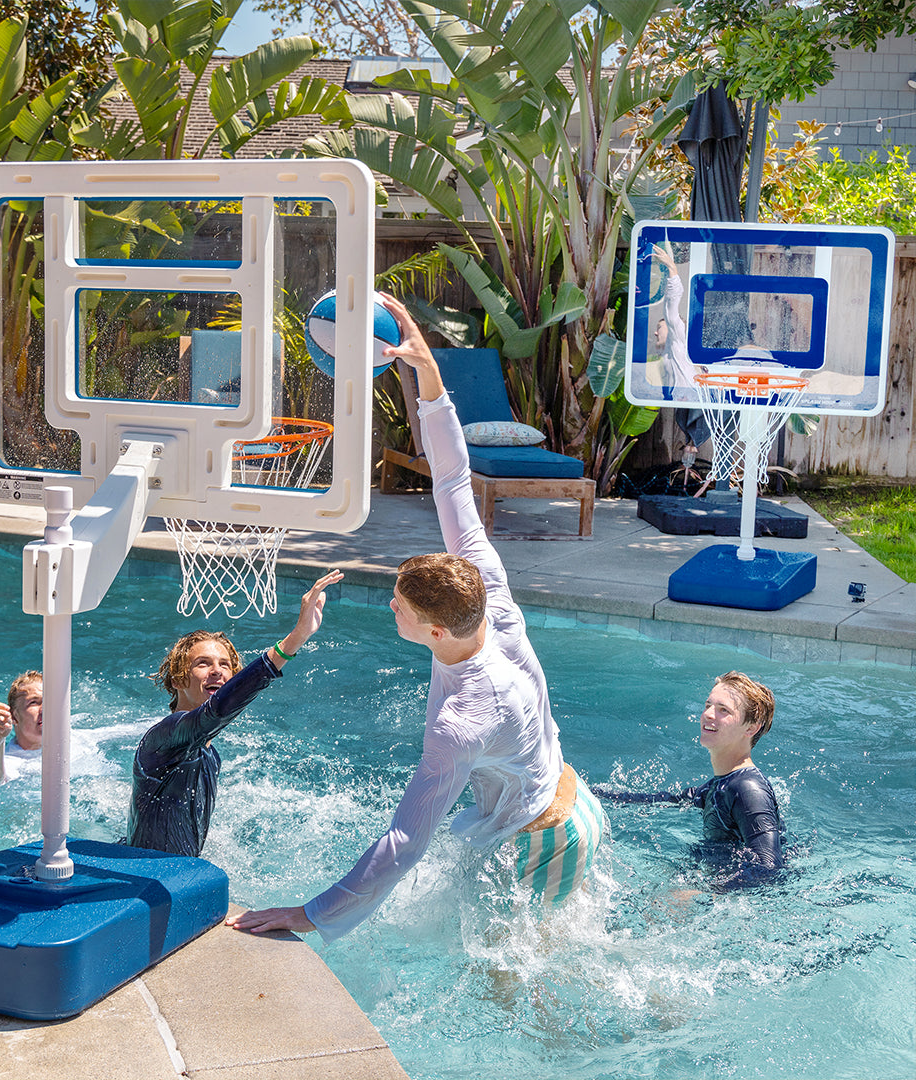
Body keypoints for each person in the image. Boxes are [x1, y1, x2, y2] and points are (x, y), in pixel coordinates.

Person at [226, 294, 607, 943]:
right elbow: (453, 479)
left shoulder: (461, 721)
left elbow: (404, 841)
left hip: (546, 837)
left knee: (515, 980)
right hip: (566, 798)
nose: (391, 605)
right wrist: (427, 374)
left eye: (400, 604)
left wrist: (308, 913)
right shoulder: (488, 591)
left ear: (436, 630)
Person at [128, 569, 343, 857]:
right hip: (144, 875)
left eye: (225, 665)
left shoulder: (210, 754)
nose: (217, 670)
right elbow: (216, 712)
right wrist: (296, 637)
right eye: (203, 663)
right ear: (178, 679)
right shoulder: (165, 737)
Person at [593, 671, 783, 887]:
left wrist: (700, 892)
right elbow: (662, 800)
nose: (708, 715)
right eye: (708, 705)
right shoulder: (719, 786)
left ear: (751, 728)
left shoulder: (748, 789)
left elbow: (769, 871)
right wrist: (593, 792)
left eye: (723, 710)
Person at [652, 244, 710, 479]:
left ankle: (693, 442)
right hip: (687, 402)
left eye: (659, 327)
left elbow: (672, 311)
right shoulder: (666, 356)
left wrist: (673, 271)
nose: (656, 333)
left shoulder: (677, 341)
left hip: (700, 399)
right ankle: (691, 444)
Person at [0, 670, 44, 783]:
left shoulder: (78, 737)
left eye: (51, 701)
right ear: (14, 717)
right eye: (33, 702)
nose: (45, 709)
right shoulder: (11, 761)